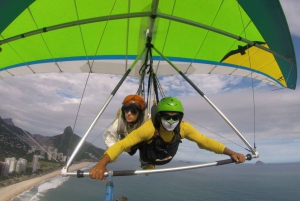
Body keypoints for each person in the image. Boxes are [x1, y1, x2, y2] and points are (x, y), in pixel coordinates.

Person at [90, 96, 246, 181]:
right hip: (150, 156)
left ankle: (149, 164)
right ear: (159, 116)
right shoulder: (149, 128)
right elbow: (121, 145)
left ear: (180, 117)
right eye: (166, 117)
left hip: (167, 156)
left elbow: (205, 141)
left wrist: (231, 153)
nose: (171, 121)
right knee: (134, 143)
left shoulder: (183, 127)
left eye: (175, 117)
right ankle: (147, 165)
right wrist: (101, 164)